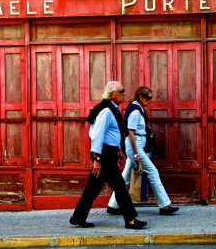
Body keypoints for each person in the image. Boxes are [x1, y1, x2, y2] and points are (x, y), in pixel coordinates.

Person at [70, 81, 147, 229]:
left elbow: (112, 134)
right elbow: (97, 136)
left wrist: (118, 151)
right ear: (112, 94)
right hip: (104, 156)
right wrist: (97, 160)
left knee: (92, 189)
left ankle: (78, 217)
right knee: (120, 187)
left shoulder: (112, 109)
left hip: (108, 154)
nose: (124, 94)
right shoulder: (106, 111)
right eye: (121, 91)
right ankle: (130, 219)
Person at [107, 86, 179, 216]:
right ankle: (164, 205)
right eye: (148, 98)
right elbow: (131, 132)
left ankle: (113, 205)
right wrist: (135, 153)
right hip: (135, 146)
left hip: (135, 146)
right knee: (153, 172)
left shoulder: (137, 108)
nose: (150, 101)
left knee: (126, 177)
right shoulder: (135, 111)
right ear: (140, 97)